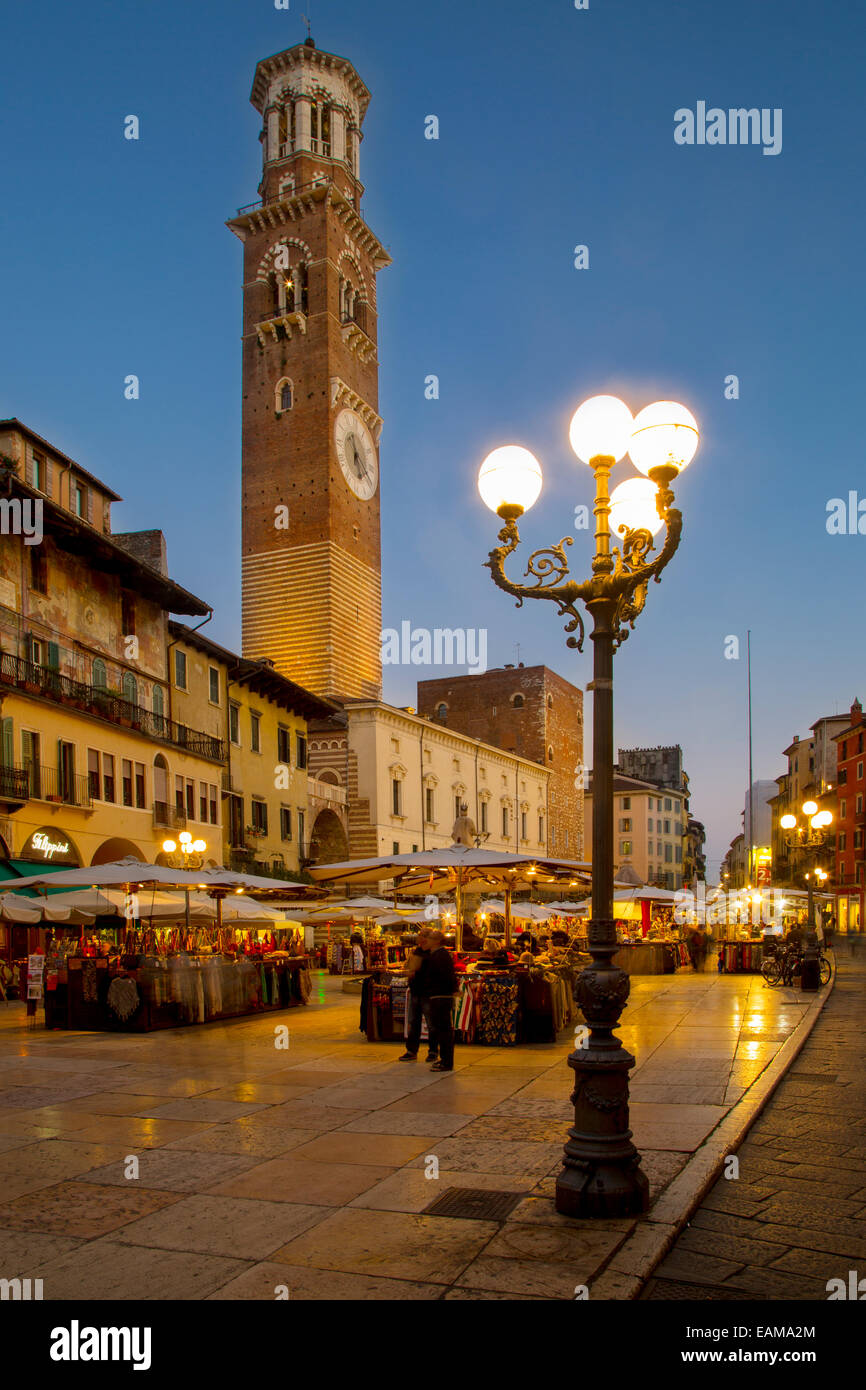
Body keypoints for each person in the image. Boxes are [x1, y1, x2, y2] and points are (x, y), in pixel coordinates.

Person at [398, 928, 437, 1063]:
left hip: (427, 992)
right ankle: (411, 1050)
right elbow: (411, 967)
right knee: (414, 1022)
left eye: (420, 935)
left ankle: (433, 1051)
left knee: (431, 1024)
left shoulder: (432, 953)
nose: (417, 937)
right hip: (416, 991)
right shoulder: (417, 951)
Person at [425, 928, 458, 1071]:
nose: (428, 940)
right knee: (441, 1029)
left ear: (437, 941)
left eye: (431, 938)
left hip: (441, 996)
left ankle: (446, 1062)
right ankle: (444, 1059)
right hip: (439, 995)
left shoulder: (440, 955)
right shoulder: (438, 954)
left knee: (444, 1030)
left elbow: (446, 976)